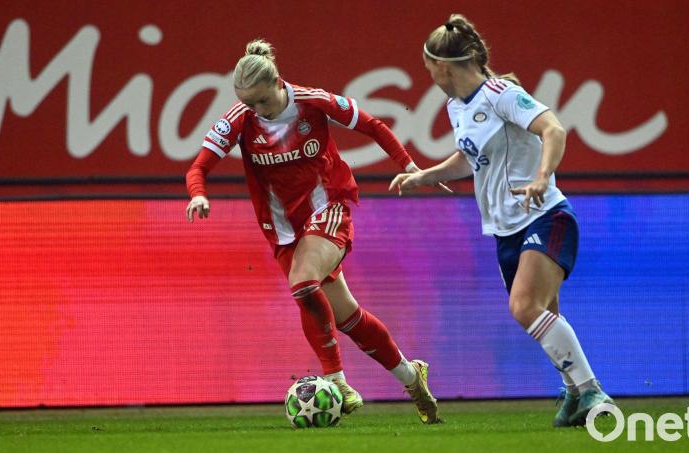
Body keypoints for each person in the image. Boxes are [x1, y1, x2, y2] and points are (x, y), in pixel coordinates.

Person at [185, 39, 440, 424]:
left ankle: (335, 381)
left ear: (277, 84)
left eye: (260, 102)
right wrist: (198, 196)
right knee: (346, 317)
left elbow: (373, 125)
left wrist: (409, 166)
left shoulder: (312, 101)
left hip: (328, 207)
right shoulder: (240, 118)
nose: (255, 110)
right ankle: (411, 376)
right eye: (247, 103)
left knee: (303, 282)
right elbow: (198, 168)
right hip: (283, 229)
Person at [390, 14, 614, 427]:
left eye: (427, 65)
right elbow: (470, 156)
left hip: (545, 215)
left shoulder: (501, 93)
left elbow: (554, 129)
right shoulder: (457, 106)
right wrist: (426, 176)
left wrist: (542, 177)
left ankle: (593, 391)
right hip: (504, 229)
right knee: (544, 313)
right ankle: (572, 393)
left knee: (524, 306)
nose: (427, 73)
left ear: (443, 65)